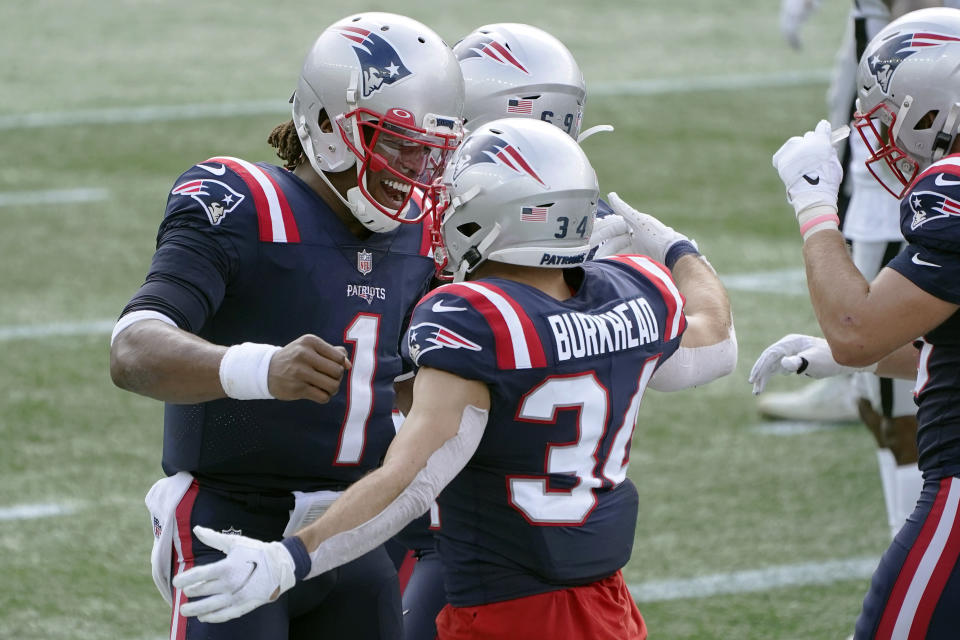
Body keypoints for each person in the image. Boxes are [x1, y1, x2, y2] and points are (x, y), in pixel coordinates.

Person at [169, 117, 737, 639]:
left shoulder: (477, 317)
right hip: (609, 609)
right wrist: (678, 250)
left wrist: (290, 557)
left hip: (503, 614)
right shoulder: (639, 289)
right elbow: (716, 345)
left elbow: (413, 478)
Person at [108, 12, 465, 639]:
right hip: (231, 521)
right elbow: (133, 348)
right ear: (328, 126)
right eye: (395, 144)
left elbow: (411, 382)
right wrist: (259, 368)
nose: (414, 170)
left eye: (428, 151)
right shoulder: (241, 201)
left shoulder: (420, 229)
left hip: (349, 531)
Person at [753, 8, 960, 637]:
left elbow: (854, 325)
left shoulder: (949, 189)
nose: (888, 133)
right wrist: (856, 356)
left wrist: (814, 201)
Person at [768, 0, 931, 541]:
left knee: (901, 416)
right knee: (878, 400)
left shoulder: (939, 207)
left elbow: (856, 333)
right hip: (888, 208)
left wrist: (814, 206)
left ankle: (908, 555)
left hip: (895, 215)